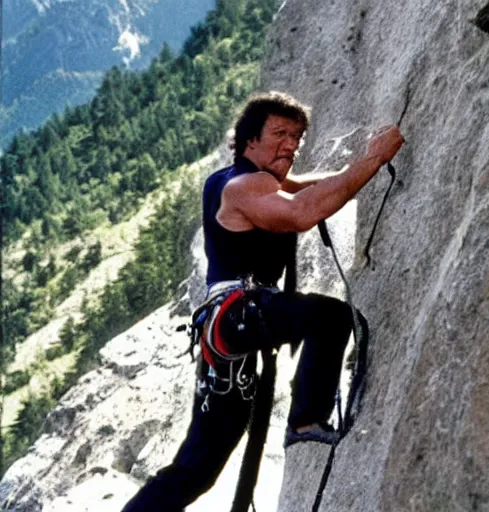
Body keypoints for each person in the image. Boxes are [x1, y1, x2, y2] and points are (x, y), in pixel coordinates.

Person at [121, 91, 404, 511]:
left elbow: (301, 189)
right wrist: (372, 161)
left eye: (297, 137)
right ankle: (307, 421)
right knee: (329, 316)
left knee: (198, 468)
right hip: (240, 313)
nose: (292, 145)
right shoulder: (246, 186)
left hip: (225, 332)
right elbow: (301, 212)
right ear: (249, 140)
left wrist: (351, 171)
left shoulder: (229, 179)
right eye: (280, 134)